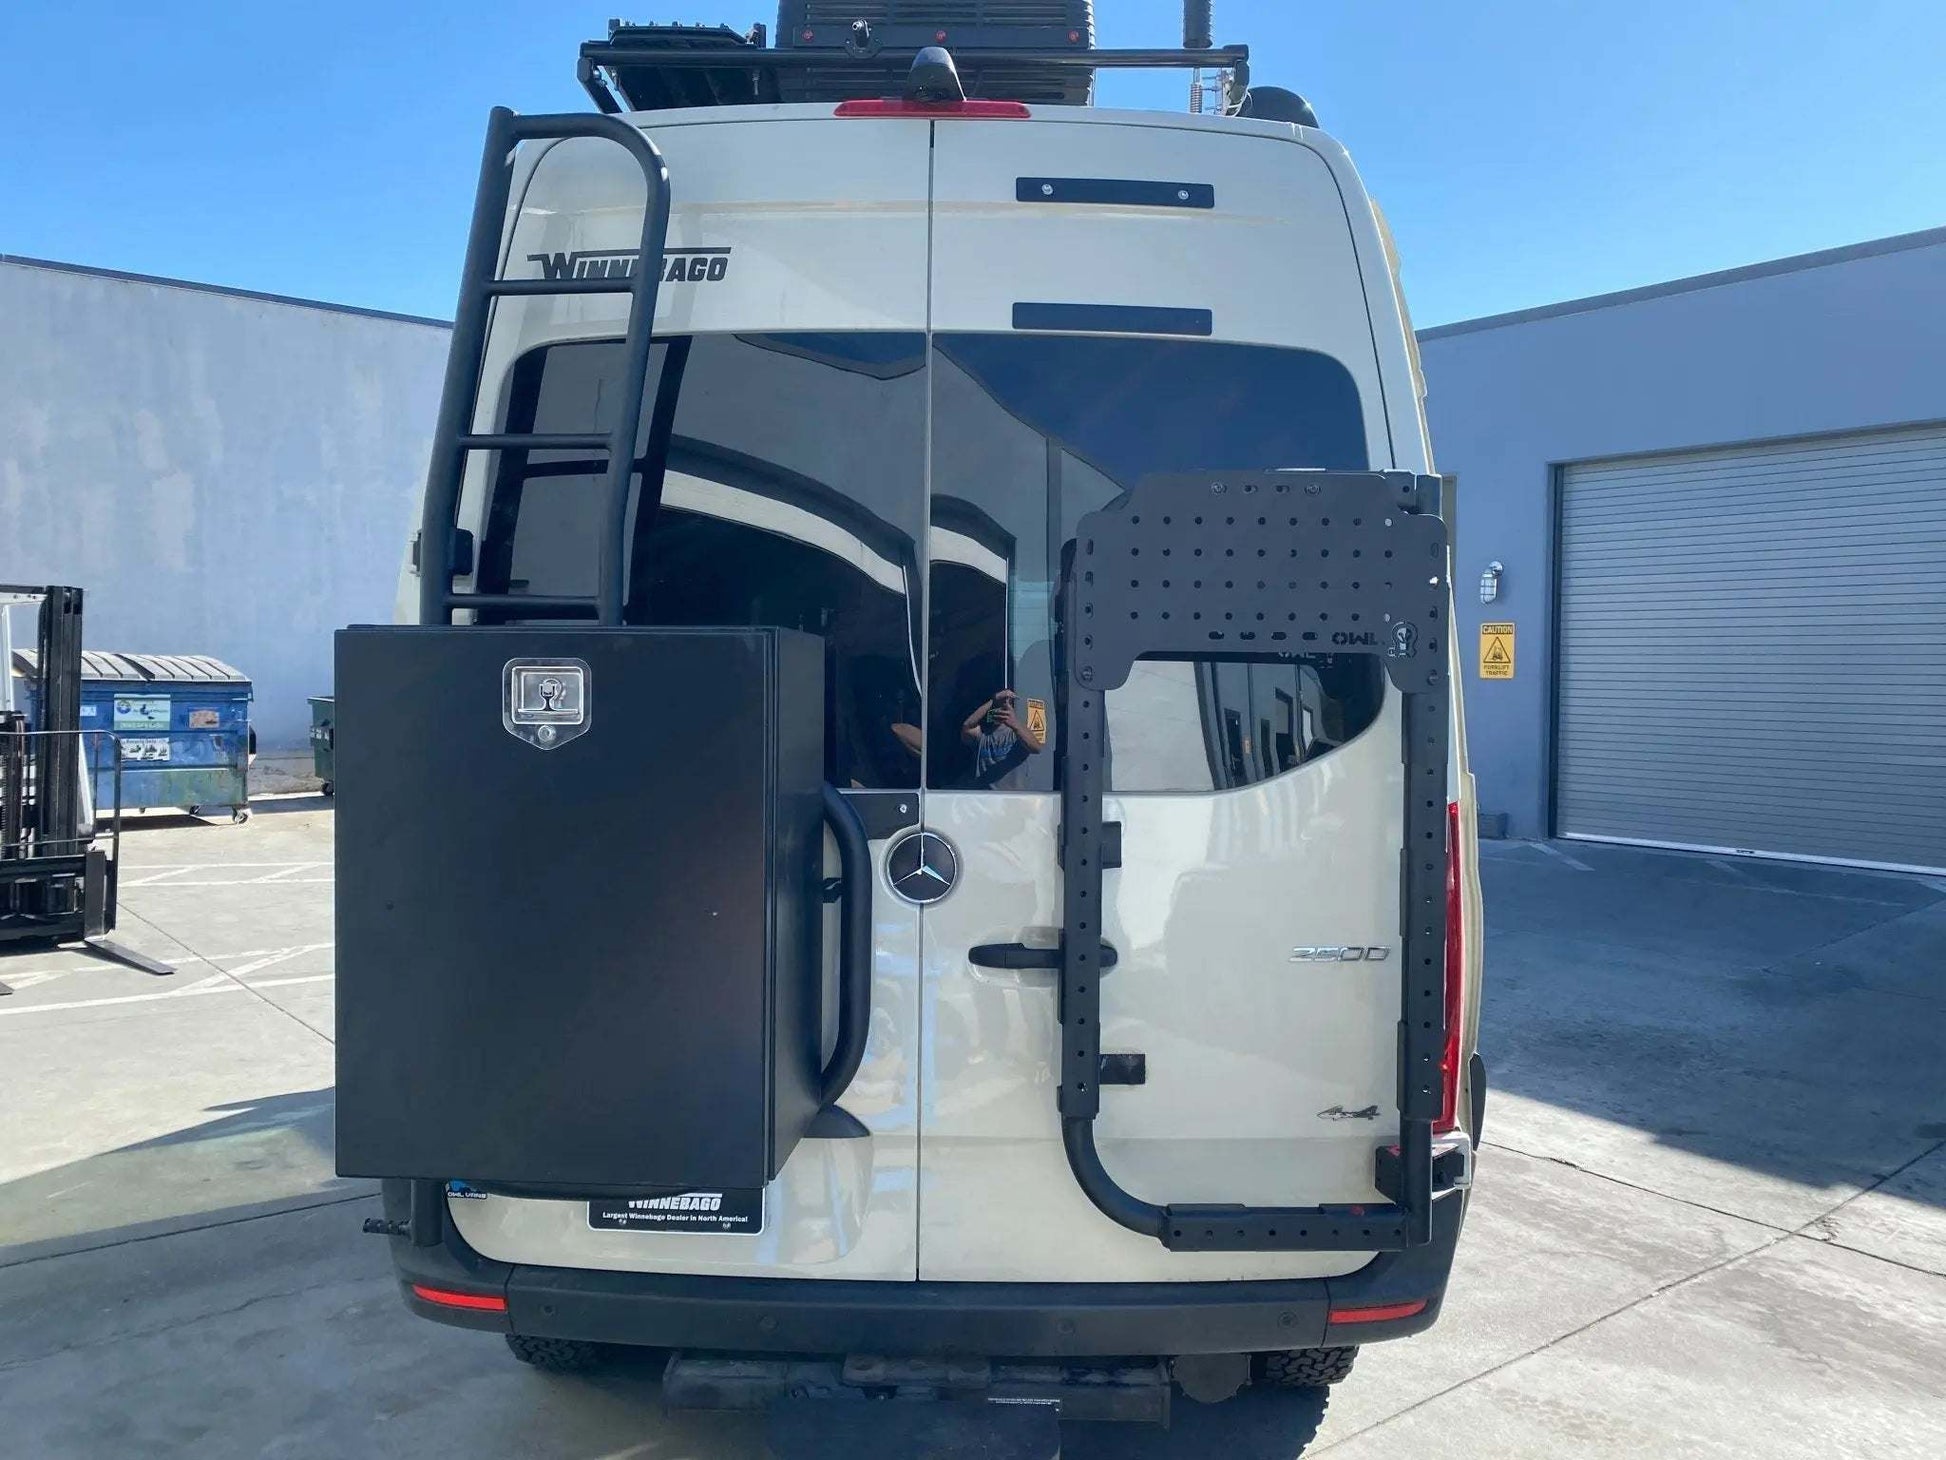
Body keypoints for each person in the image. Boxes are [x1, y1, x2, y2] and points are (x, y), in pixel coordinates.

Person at [960, 688, 1044, 790]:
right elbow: (967, 726)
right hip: (985, 796)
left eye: (1004, 707)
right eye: (997, 707)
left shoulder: (1017, 734)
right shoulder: (982, 736)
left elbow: (1036, 748)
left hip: (1013, 797)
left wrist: (1015, 724)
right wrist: (993, 700)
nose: (1000, 710)